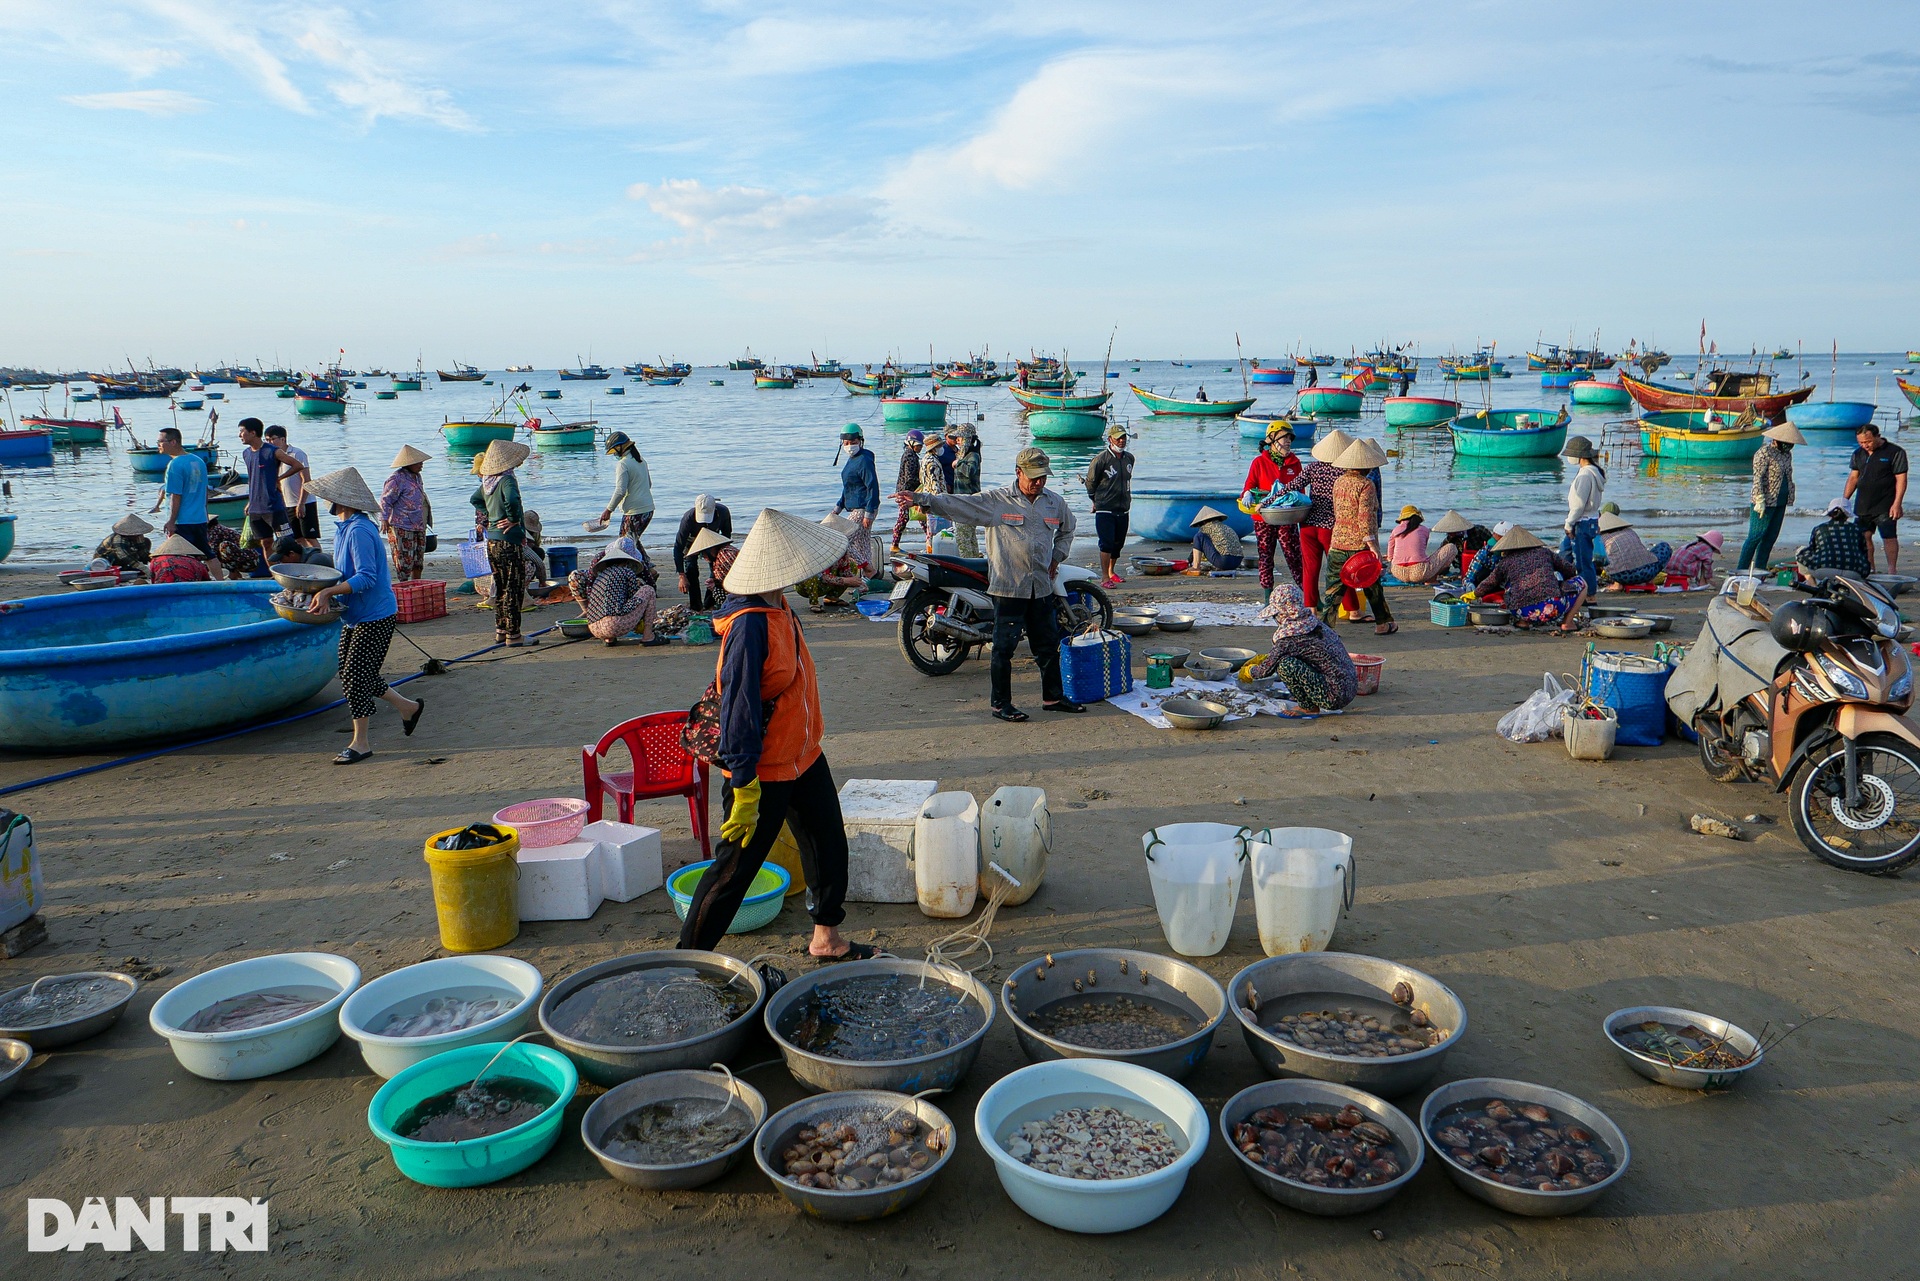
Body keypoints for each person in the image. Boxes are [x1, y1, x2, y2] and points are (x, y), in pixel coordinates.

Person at [678, 509, 870, 960]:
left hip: (803, 755)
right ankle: (685, 958)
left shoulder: (779, 605)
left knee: (827, 846)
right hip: (761, 768)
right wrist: (744, 783)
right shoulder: (749, 624)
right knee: (734, 870)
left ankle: (827, 938)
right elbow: (738, 707)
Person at [901, 446, 1083, 723]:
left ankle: (1053, 698)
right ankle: (1001, 705)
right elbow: (958, 504)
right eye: (1034, 477)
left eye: (1043, 477)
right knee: (1003, 649)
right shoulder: (997, 501)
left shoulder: (1054, 502)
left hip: (1041, 588)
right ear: (1018, 472)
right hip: (1009, 588)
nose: (1039, 482)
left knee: (1047, 646)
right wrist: (920, 498)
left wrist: (1057, 557)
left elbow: (1068, 529)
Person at [300, 469, 423, 763]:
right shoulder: (343, 528)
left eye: (328, 496)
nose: (325, 500)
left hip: (376, 615)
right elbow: (344, 574)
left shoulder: (359, 530)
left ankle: (361, 743)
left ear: (341, 501)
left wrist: (329, 593)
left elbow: (366, 577)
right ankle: (408, 707)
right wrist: (321, 590)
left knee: (356, 677)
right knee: (353, 674)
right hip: (354, 615)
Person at [1246, 582, 1359, 712]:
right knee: (1286, 659)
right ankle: (1312, 698)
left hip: (1333, 696)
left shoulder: (1289, 639)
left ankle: (1307, 707)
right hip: (1349, 687)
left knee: (1285, 665)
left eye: (1275, 615)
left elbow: (1263, 672)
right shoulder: (1312, 622)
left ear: (1282, 614)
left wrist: (1248, 672)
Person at [1322, 437, 1395, 634]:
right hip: (1359, 545)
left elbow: (1338, 511)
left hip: (1337, 542)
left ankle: (1325, 629)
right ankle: (1382, 623)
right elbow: (1365, 518)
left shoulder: (1338, 482)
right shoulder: (1366, 485)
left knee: (1333, 590)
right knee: (1372, 585)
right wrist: (1373, 547)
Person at [471, 438, 536, 646]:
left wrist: (490, 516)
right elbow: (513, 500)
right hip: (509, 541)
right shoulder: (507, 480)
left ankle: (501, 630)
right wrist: (514, 518)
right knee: (513, 588)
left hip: (493, 542)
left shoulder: (487, 481)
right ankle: (514, 635)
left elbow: (475, 500)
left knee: (499, 586)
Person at [1465, 526, 1588, 633]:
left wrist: (1474, 594)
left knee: (1510, 586)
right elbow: (1569, 570)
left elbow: (1489, 582)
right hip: (1551, 608)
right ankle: (1567, 623)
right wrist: (1563, 585)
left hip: (1520, 611)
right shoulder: (1544, 552)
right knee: (1582, 582)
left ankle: (1523, 623)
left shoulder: (1505, 562)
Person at [1284, 428, 1353, 610]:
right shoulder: (1344, 473)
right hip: (1331, 527)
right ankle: (1352, 609)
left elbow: (1290, 487)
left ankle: (1311, 608)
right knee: (1340, 568)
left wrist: (1266, 502)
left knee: (1310, 570)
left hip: (1308, 525)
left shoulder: (1313, 468)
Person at [1241, 423, 1303, 590]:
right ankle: (1268, 595)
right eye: (1284, 437)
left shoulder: (1295, 463)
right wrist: (1248, 493)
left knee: (1293, 556)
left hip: (1287, 517)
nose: (1288, 441)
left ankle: (1308, 594)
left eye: (1290, 438)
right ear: (1272, 440)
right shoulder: (1259, 462)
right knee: (1265, 555)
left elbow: (1301, 493)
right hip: (1263, 517)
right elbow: (1249, 485)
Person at [577, 536, 666, 646]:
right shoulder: (626, 572)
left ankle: (608, 639)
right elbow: (633, 598)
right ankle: (648, 636)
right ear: (628, 560)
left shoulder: (602, 575)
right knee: (648, 590)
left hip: (593, 627)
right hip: (614, 625)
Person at [1845, 422, 1908, 573]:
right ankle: (1869, 569)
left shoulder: (1895, 452)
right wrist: (1844, 501)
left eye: (1868, 442)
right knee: (1864, 536)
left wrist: (1897, 503)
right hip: (1863, 503)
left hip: (1886, 503)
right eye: (1861, 442)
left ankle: (1892, 570)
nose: (1865, 445)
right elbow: (1853, 478)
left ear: (1878, 437)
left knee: (1889, 537)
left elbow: (1901, 479)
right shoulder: (1858, 453)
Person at [1739, 423, 1803, 572]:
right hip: (1764, 501)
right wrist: (1759, 499)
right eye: (1786, 442)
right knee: (1756, 535)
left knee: (1770, 537)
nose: (1789, 446)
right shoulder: (1764, 453)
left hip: (1781, 501)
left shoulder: (1787, 454)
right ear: (1777, 440)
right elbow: (1758, 478)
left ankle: (1760, 569)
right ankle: (1741, 569)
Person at [237, 418, 306, 551]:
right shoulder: (246, 454)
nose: (239, 435)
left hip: (273, 506)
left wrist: (279, 478)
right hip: (255, 508)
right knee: (265, 543)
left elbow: (297, 465)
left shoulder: (273, 451)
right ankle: (271, 571)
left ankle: (293, 569)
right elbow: (253, 479)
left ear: (252, 433)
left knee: (286, 543)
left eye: (242, 431)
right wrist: (249, 502)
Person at [1083, 423, 1135, 588]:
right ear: (1110, 439)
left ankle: (1112, 571)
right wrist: (1094, 501)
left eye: (1124, 437)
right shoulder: (1100, 460)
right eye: (1118, 438)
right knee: (1106, 542)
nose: (1121, 441)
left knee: (1118, 543)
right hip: (1105, 507)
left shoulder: (1129, 459)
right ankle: (1105, 577)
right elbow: (1090, 482)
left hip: (1123, 507)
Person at [380, 444, 433, 582]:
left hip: (418, 524)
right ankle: (404, 585)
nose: (422, 465)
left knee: (418, 560)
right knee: (404, 560)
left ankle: (416, 584)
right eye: (419, 462)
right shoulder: (396, 479)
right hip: (401, 526)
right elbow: (386, 500)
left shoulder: (417, 477)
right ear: (409, 463)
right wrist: (384, 519)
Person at [152, 426, 210, 553]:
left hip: (182, 520)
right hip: (199, 518)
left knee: (179, 555)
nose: (158, 445)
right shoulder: (198, 461)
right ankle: (217, 574)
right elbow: (205, 491)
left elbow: (176, 495)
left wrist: (172, 521)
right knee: (206, 553)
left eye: (160, 442)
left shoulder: (175, 465)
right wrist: (205, 514)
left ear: (173, 442)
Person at [673, 494, 734, 610]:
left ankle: (709, 604)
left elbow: (726, 537)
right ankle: (696, 606)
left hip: (713, 541)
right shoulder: (688, 518)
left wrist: (717, 556)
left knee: (716, 572)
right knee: (691, 570)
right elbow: (678, 547)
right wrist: (681, 575)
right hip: (691, 542)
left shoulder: (723, 512)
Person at [830, 424, 881, 558]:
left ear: (860, 441)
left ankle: (865, 569)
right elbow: (849, 487)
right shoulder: (852, 460)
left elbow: (872, 486)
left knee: (843, 541)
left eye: (853, 442)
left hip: (863, 508)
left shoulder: (864, 460)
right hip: (857, 507)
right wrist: (838, 508)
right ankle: (869, 573)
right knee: (862, 544)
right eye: (846, 443)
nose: (850, 446)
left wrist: (869, 513)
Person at [1561, 435, 1605, 589]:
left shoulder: (1585, 475)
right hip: (1590, 521)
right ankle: (1570, 586)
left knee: (1583, 562)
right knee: (1565, 553)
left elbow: (1579, 505)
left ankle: (1589, 594)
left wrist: (1568, 523)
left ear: (1579, 456)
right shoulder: (1594, 472)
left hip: (1582, 523)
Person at [265, 425, 318, 550]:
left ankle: (320, 561)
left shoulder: (297, 454)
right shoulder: (274, 457)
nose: (269, 442)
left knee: (310, 537)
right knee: (297, 538)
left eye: (272, 439)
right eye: (267, 440)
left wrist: (301, 504)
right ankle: (305, 563)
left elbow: (306, 480)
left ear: (283, 439)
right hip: (287, 504)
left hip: (305, 502)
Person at [799, 517, 869, 610]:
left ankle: (832, 597)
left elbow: (846, 571)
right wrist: (846, 581)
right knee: (810, 572)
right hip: (808, 586)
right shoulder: (818, 551)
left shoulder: (842, 551)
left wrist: (858, 582)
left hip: (828, 582)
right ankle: (814, 602)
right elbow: (824, 577)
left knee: (852, 565)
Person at [1389, 506, 1466, 584]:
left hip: (1398, 571)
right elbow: (1422, 548)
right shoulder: (1424, 530)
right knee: (1451, 547)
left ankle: (1429, 577)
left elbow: (1390, 555)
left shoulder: (1395, 530)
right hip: (1419, 572)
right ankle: (1432, 579)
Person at [599, 431, 655, 537]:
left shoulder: (623, 464)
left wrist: (608, 510)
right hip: (648, 510)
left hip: (634, 512)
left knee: (624, 546)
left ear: (620, 447)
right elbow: (649, 484)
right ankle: (642, 555)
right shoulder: (641, 461)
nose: (614, 454)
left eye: (614, 450)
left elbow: (620, 491)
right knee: (632, 544)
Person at [1797, 498, 1873, 577]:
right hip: (1853, 572)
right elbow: (1864, 553)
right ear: (1847, 514)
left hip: (1824, 570)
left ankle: (1813, 585)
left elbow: (1812, 549)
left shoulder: (1819, 528)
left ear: (1830, 513)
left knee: (1800, 552)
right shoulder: (1857, 529)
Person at [1597, 513, 1671, 589]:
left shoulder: (1600, 538)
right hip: (1647, 573)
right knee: (1664, 546)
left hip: (1620, 576)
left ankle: (1617, 584)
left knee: (1611, 558)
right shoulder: (1630, 532)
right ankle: (1649, 580)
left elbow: (1598, 559)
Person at [889, 431, 929, 554]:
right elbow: (910, 477)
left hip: (906, 492)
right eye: (919, 445)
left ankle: (930, 542)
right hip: (907, 493)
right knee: (904, 518)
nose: (920, 447)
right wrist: (922, 483)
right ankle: (894, 545)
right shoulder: (910, 457)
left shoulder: (909, 455)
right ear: (911, 443)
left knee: (922, 518)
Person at [948, 423, 984, 558]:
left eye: (960, 438)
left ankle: (968, 564)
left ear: (967, 439)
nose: (957, 440)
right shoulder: (963, 455)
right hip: (962, 501)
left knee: (963, 538)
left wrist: (958, 463)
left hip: (968, 502)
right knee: (969, 536)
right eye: (957, 438)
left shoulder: (973, 456)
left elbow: (970, 472)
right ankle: (974, 561)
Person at [917, 431, 950, 552]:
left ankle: (930, 549)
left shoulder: (925, 459)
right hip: (933, 499)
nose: (942, 448)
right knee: (936, 529)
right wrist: (939, 500)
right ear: (935, 448)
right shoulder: (932, 462)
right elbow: (934, 482)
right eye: (940, 446)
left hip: (926, 496)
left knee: (931, 529)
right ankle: (935, 551)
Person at [205, 515, 265, 579]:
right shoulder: (216, 529)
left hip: (248, 561)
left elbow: (212, 553)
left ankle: (233, 573)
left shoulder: (215, 530)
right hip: (246, 559)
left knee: (224, 546)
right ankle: (235, 573)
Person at [1189, 506, 1245, 571]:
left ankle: (1196, 567)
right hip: (1237, 562)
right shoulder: (1226, 527)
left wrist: (1189, 560)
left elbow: (1197, 544)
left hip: (1224, 562)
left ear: (1203, 521)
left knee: (1198, 536)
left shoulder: (1206, 528)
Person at [268, 535, 334, 568]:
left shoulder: (314, 562)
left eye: (281, 559)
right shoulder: (305, 558)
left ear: (292, 554)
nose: (280, 562)